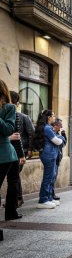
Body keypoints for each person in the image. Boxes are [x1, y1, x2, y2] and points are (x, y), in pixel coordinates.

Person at [33, 110, 65, 209]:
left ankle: (49, 197)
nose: (54, 118)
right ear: (48, 117)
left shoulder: (47, 128)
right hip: (49, 155)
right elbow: (57, 141)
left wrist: (58, 137)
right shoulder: (47, 128)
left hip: (50, 155)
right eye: (53, 116)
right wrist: (62, 138)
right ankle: (43, 200)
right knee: (48, 177)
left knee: (51, 177)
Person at [0, 80, 21, 220]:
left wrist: (22, 154)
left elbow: (9, 129)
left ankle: (11, 211)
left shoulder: (9, 108)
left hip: (5, 155)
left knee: (13, 182)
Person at [10, 91, 34, 207]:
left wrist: (29, 149)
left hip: (21, 150)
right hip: (9, 149)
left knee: (14, 174)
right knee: (13, 175)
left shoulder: (23, 117)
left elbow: (31, 134)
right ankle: (15, 198)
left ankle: (18, 198)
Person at [51, 118, 67, 201]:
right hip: (53, 157)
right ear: (56, 125)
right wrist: (62, 137)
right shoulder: (52, 133)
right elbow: (60, 143)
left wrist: (63, 136)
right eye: (60, 125)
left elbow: (63, 144)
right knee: (51, 177)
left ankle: (51, 193)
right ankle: (50, 194)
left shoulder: (58, 133)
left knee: (54, 176)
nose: (62, 127)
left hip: (57, 157)